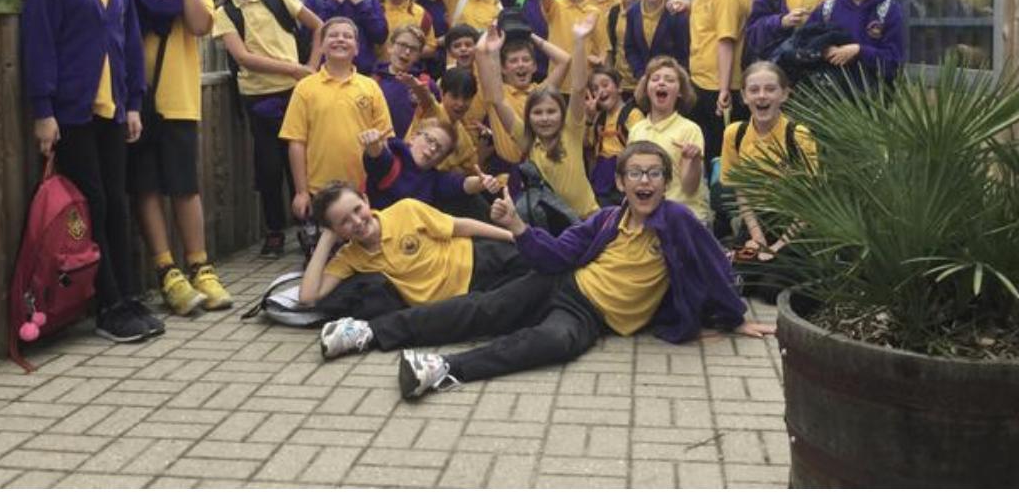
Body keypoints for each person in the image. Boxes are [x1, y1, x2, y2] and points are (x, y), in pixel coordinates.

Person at [316, 141, 774, 400]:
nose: (644, 181)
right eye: (635, 173)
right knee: (482, 309)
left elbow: (713, 264)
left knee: (554, 342)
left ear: (666, 182)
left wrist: (736, 316)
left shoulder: (677, 221)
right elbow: (556, 254)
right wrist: (517, 227)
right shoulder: (605, 219)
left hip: (591, 316)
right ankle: (367, 333)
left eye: (654, 174)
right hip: (562, 283)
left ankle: (441, 368)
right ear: (620, 182)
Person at [23, 0, 162, 342]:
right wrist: (44, 111)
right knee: (93, 204)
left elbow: (128, 41)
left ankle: (126, 295)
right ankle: (107, 307)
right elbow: (39, 44)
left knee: (116, 203)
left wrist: (134, 103)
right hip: (71, 113)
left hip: (113, 110)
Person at [115, 0, 231, 315]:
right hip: (134, 99)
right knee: (145, 185)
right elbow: (112, 10)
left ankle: (200, 266)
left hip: (179, 95)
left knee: (185, 186)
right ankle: (167, 271)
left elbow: (200, 26)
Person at [211, 0, 323, 257]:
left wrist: (312, 67)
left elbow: (320, 27)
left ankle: (308, 226)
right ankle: (274, 231)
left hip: (296, 94)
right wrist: (296, 69)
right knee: (269, 167)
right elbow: (243, 58)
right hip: (258, 98)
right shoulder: (224, 13)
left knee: (300, 163)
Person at [300, 182, 526, 312]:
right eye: (344, 222)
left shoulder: (405, 209)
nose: (357, 221)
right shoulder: (350, 257)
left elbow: (459, 226)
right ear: (336, 230)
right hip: (461, 299)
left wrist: (513, 236)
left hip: (477, 259)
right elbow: (308, 297)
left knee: (536, 263)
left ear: (366, 200)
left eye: (357, 210)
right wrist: (326, 239)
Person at [279, 16, 394, 241]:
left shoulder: (370, 87)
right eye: (333, 35)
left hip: (364, 189)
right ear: (321, 46)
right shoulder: (305, 88)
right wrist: (301, 192)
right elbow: (296, 142)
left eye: (347, 36)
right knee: (324, 250)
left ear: (357, 48)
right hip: (321, 191)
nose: (340, 39)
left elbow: (386, 139)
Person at [477, 18, 599, 220]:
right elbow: (498, 100)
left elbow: (578, 88)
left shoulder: (571, 130)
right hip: (550, 223)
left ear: (562, 113)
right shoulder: (526, 139)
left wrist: (579, 41)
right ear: (528, 117)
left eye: (551, 112)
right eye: (537, 113)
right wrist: (495, 53)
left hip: (586, 219)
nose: (545, 118)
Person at [719, 61, 817, 269]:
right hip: (754, 219)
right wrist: (757, 237)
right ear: (744, 96)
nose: (762, 96)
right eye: (754, 90)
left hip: (794, 223)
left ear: (784, 94)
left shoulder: (798, 135)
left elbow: (810, 203)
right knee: (740, 274)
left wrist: (778, 246)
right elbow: (741, 190)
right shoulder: (735, 134)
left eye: (770, 89)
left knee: (773, 281)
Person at [685, 0, 747, 170]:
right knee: (703, 150)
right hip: (700, 83)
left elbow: (725, 41)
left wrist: (723, 89)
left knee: (719, 155)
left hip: (719, 89)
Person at [628, 57, 711, 221]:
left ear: (680, 91)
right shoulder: (636, 130)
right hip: (646, 214)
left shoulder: (690, 129)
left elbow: (690, 188)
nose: (661, 83)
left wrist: (693, 160)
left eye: (670, 80)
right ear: (646, 89)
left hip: (683, 215)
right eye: (655, 79)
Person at [359, 119, 504, 211]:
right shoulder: (394, 156)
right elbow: (378, 158)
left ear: (441, 160)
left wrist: (482, 182)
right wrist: (373, 146)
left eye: (440, 149)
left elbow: (462, 184)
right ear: (413, 137)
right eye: (429, 140)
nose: (433, 149)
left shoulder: (435, 179)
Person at [526, 0, 608, 93]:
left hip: (584, 86)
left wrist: (600, 60)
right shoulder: (555, 3)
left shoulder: (594, 12)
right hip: (557, 83)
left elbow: (603, 48)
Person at [624, 0, 690, 81]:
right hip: (643, 81)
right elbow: (630, 48)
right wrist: (642, 75)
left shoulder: (676, 13)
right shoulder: (632, 12)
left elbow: (684, 53)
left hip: (671, 83)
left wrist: (671, 79)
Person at [587, 67, 644, 207]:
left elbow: (641, 149)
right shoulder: (599, 119)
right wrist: (589, 118)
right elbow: (588, 144)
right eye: (595, 89)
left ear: (619, 88)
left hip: (624, 177)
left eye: (605, 85)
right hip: (601, 179)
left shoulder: (632, 114)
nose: (601, 91)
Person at [372, 24, 441, 137]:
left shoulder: (426, 84)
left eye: (413, 49)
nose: (407, 52)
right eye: (403, 45)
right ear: (390, 47)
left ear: (419, 55)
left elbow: (438, 119)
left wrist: (425, 97)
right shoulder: (373, 81)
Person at [378, 0, 436, 66]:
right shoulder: (373, 11)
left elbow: (431, 47)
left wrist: (407, 52)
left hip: (410, 72)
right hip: (377, 72)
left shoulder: (421, 14)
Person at [606, 0, 641, 99]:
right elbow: (610, 49)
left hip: (645, 83)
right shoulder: (613, 13)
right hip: (621, 85)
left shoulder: (649, 10)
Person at [412, 0, 448, 79]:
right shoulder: (414, 6)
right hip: (421, 64)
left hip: (448, 61)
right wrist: (436, 42)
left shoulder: (452, 3)